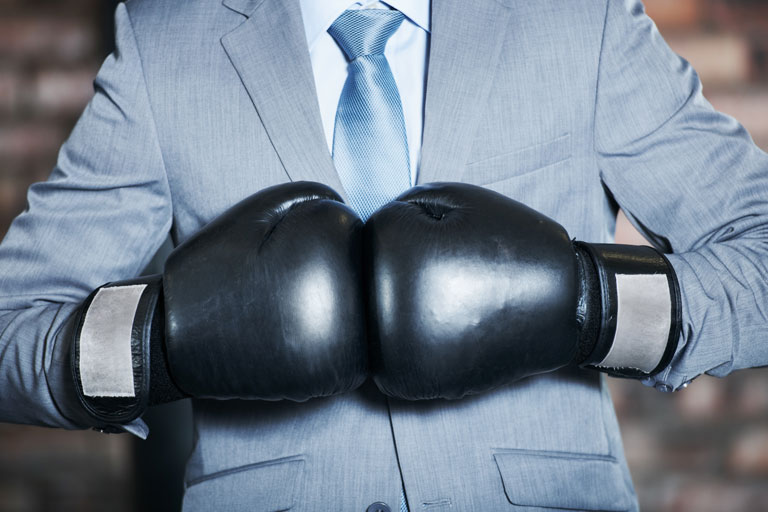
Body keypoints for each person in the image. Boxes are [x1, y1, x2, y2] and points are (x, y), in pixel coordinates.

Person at [0, 0, 766, 510]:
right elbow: (11, 328)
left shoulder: (576, 18)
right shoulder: (166, 44)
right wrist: (157, 341)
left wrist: (594, 306)